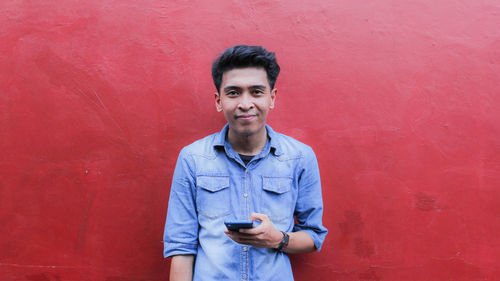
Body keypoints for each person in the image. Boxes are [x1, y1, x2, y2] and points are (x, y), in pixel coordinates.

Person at [163, 45, 328, 281]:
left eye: (257, 92)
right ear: (219, 100)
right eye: (233, 93)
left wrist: (277, 238)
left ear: (272, 98)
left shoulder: (300, 157)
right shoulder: (193, 158)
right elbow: (181, 246)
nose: (245, 103)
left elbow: (313, 235)